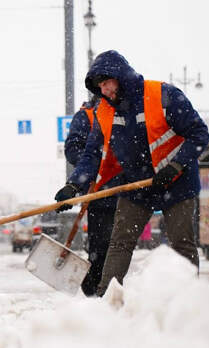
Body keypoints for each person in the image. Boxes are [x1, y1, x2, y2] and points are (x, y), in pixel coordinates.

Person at [54, 50, 209, 296]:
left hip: (177, 181)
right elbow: (92, 155)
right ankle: (108, 300)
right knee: (120, 242)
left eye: (106, 83)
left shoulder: (162, 95)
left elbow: (199, 134)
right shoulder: (104, 112)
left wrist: (175, 166)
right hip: (137, 184)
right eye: (100, 87)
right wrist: (74, 186)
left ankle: (188, 301)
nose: (104, 91)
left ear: (120, 76)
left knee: (181, 243)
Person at [64, 96, 123, 296]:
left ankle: (110, 290)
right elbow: (73, 149)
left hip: (128, 190)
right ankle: (96, 290)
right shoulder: (87, 116)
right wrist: (97, 169)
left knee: (121, 246)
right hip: (100, 193)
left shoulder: (126, 110)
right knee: (102, 245)